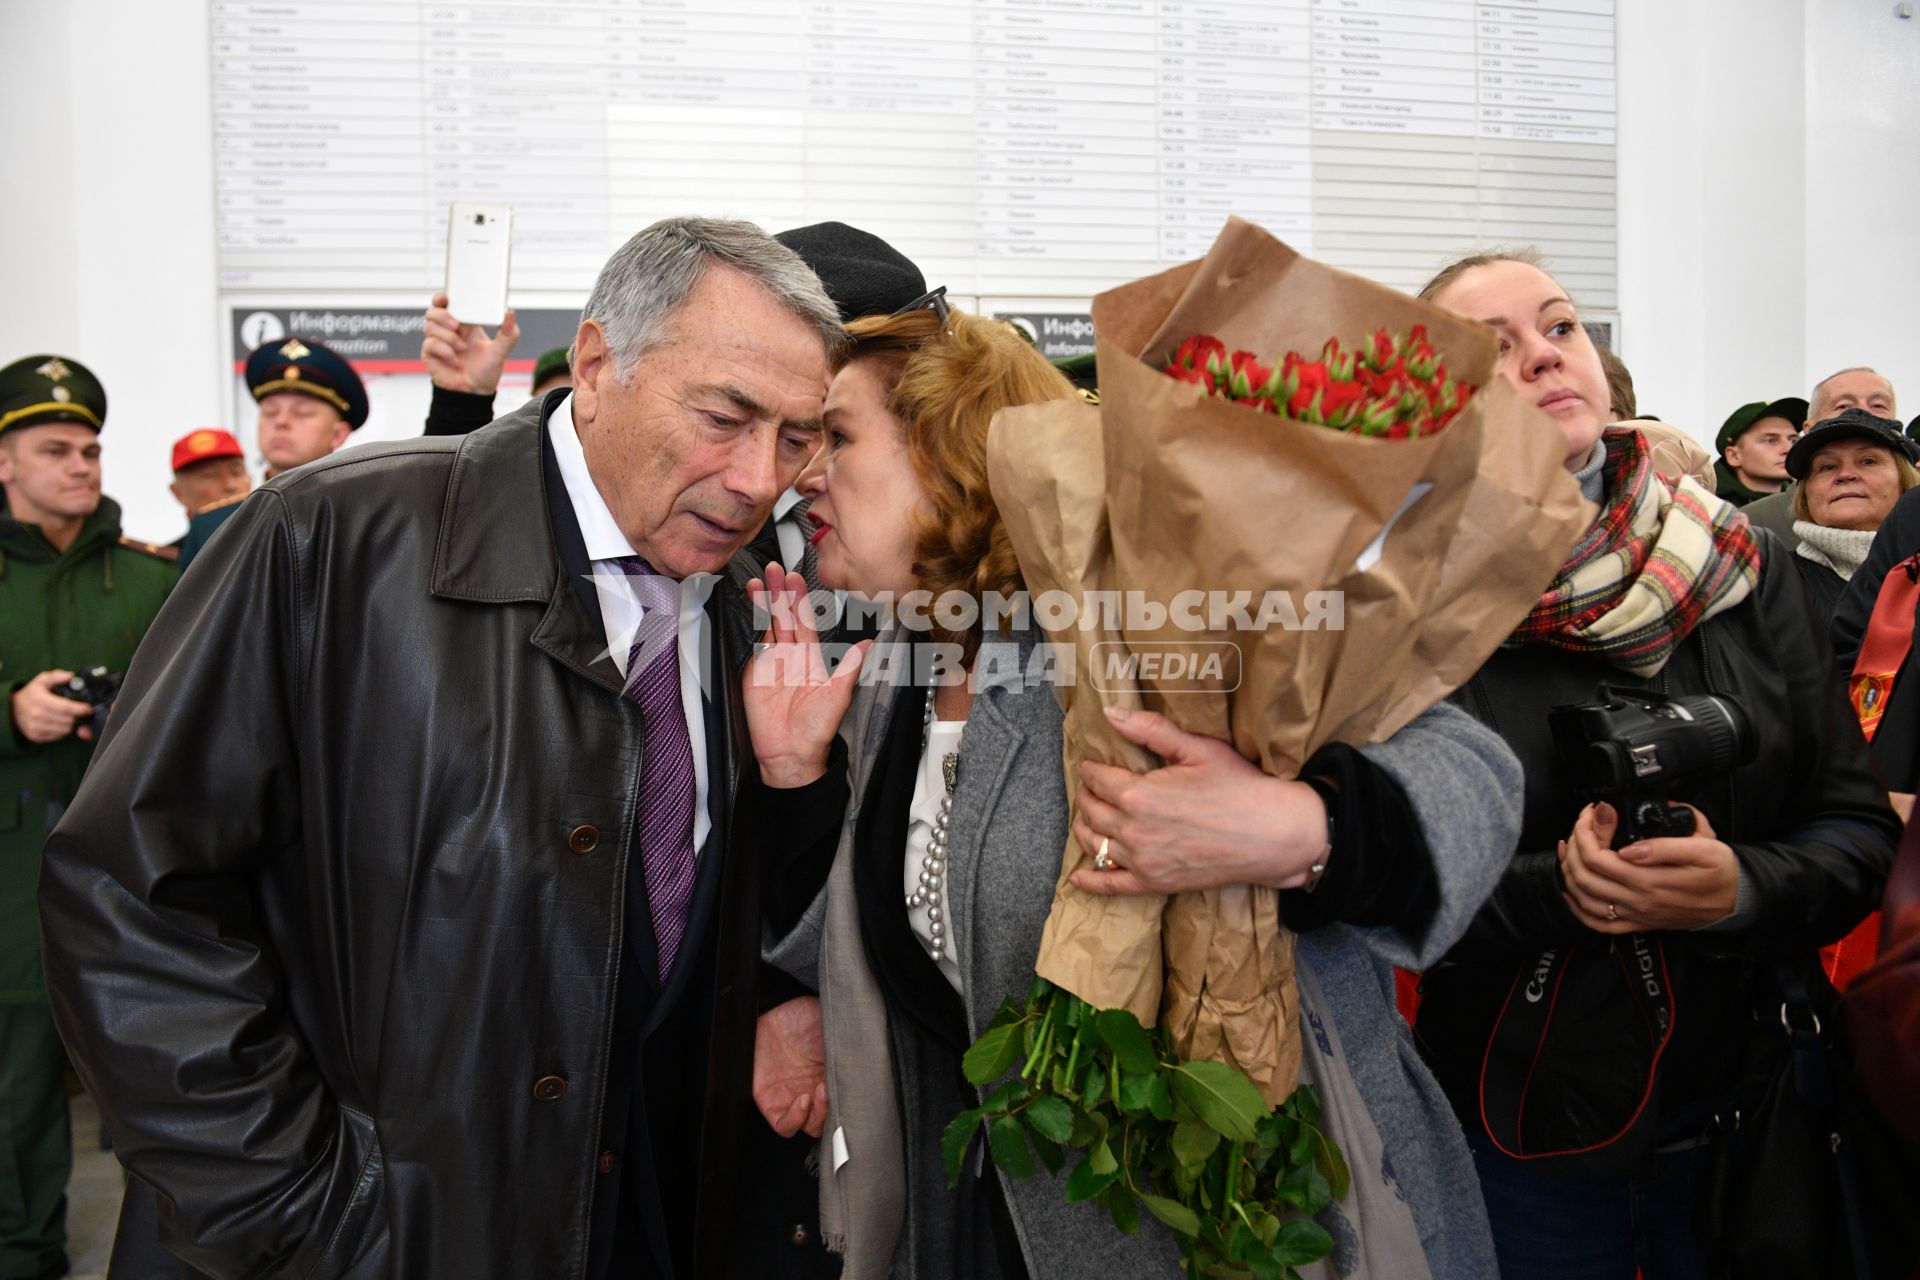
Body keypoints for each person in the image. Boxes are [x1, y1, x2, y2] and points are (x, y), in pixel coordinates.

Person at [38, 217, 845, 1279]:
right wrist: (304, 1217)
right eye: (726, 416)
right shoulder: (332, 538)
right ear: (598, 365)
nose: (758, 478)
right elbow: (128, 895)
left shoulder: (744, 603)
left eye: (796, 437)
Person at [744, 303, 1525, 1279]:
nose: (799, 471)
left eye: (836, 435)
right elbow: (920, 956)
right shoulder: (896, 669)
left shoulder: (1155, 615)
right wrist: (794, 780)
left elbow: (1472, 775)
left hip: (1262, 1227)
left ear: (954, 448)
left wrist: (1299, 828)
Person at [1412, 251, 1899, 1280]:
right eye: (1496, 349)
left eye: (1558, 326)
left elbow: (1855, 829)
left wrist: (1738, 887)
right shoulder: (1403, 609)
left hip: (1751, 1118)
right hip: (1521, 1144)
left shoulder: (1738, 564)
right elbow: (1375, 884)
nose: (1544, 357)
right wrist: (1566, 890)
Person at [0, 353, 176, 1280]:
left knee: (153, 1091)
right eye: (56, 448)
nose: (81, 465)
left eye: (92, 448)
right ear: (5, 462)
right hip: (10, 881)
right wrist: (10, 710)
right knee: (15, 1093)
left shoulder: (151, 581)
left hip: (130, 887)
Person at [1781, 407, 1920, 620]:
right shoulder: (1772, 580)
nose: (1845, 475)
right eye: (1827, 467)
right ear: (1805, 495)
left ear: (1906, 480)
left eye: (1868, 461)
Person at [1744, 367, 1898, 554]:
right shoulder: (1753, 523)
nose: (1863, 413)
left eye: (1878, 405)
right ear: (1808, 429)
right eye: (1843, 406)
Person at [245, 335, 370, 480]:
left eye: (302, 413)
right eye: (270, 412)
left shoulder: (362, 503)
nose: (281, 421)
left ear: (337, 435)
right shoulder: (237, 504)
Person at [165, 429, 251, 572]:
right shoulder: (167, 566)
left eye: (236, 472)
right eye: (209, 476)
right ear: (178, 493)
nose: (229, 485)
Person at [1712, 397, 1806, 507]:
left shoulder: (1809, 503)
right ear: (1734, 456)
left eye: (1793, 441)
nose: (1788, 449)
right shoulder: (1708, 508)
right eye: (1771, 440)